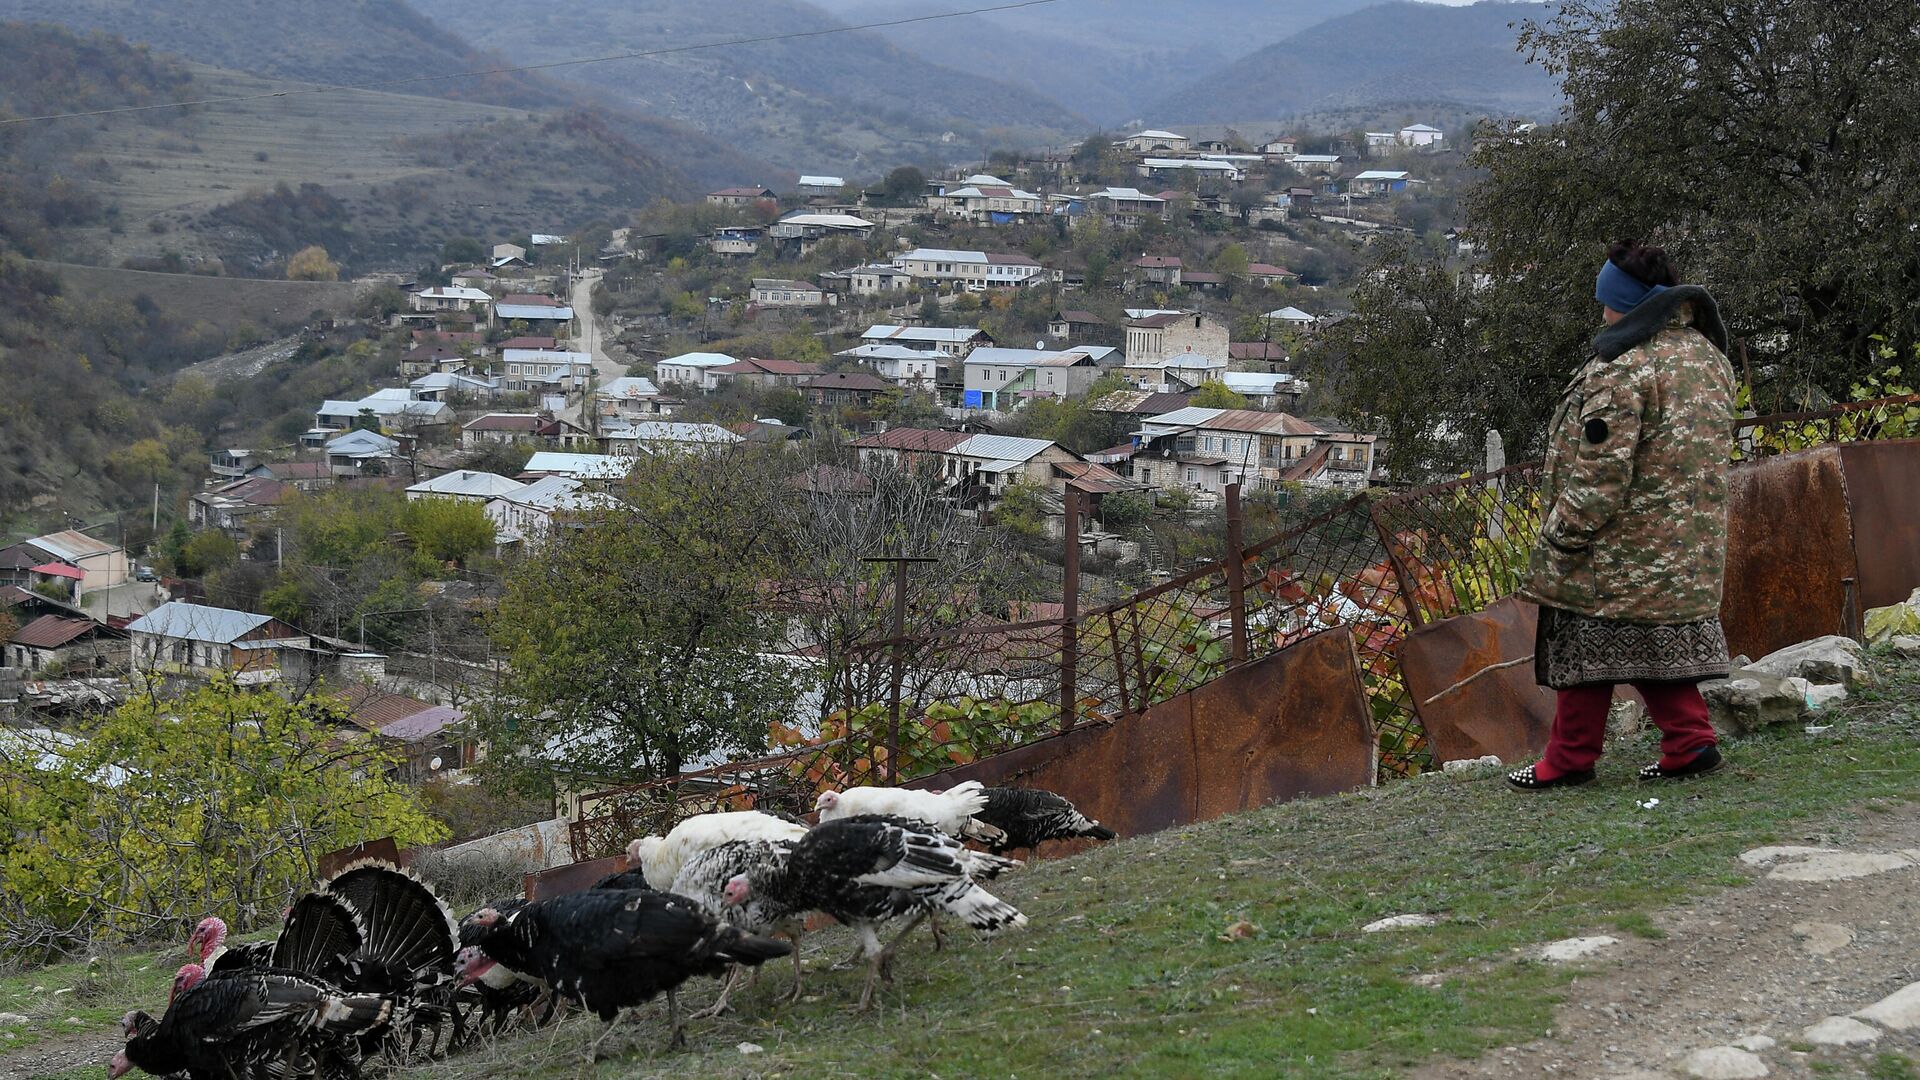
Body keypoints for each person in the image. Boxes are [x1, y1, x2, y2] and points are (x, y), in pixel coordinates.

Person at [1507, 240, 1737, 790]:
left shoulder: (1625, 369)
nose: (1602, 313)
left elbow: (1601, 475)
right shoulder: (1709, 358)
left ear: (1627, 304)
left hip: (1621, 547)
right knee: (1647, 641)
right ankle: (1690, 742)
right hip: (1689, 541)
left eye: (1607, 302)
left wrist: (1563, 536)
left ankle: (1568, 760)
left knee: (1584, 639)